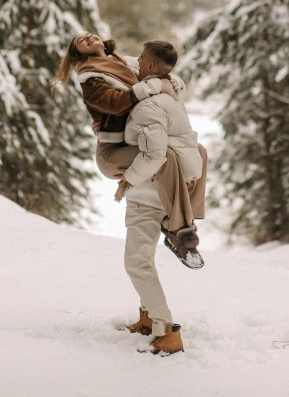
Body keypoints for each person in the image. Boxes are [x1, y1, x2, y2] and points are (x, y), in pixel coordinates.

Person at [51, 34, 207, 257]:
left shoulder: (123, 61)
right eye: (80, 41)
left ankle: (190, 214)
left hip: (134, 141)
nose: (86, 37)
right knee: (166, 156)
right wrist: (147, 89)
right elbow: (113, 103)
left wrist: (170, 82)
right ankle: (178, 230)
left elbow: (154, 69)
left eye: (88, 35)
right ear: (80, 53)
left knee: (198, 150)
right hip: (112, 153)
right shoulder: (90, 75)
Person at [120, 39, 205, 356]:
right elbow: (126, 62)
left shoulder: (148, 104)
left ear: (151, 67)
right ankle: (147, 320)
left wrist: (126, 179)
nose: (136, 61)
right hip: (168, 188)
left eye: (141, 58)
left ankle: (166, 333)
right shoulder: (166, 90)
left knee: (137, 262)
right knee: (144, 258)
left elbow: (155, 156)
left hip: (151, 190)